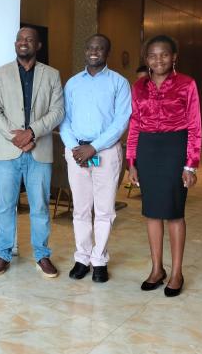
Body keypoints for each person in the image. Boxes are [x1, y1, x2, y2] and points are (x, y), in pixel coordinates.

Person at [127, 34, 201, 297]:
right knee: (152, 211)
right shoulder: (139, 87)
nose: (158, 59)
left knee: (174, 212)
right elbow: (134, 124)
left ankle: (177, 272)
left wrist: (190, 165)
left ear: (174, 57)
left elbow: (194, 125)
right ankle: (157, 269)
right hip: (147, 149)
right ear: (146, 59)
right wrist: (132, 162)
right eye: (152, 55)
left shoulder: (187, 84)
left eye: (164, 54)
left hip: (174, 148)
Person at [0, 27, 64, 278]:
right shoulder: (0, 73)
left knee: (40, 206)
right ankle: (3, 254)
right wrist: (15, 137)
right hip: (7, 152)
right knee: (5, 206)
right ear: (15, 44)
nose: (24, 43)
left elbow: (57, 112)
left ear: (38, 46)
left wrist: (31, 132)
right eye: (20, 39)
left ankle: (42, 255)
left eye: (29, 39)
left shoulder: (51, 75)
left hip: (39, 151)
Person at [61, 34, 131, 283]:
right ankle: (82, 258)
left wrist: (93, 147)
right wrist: (74, 148)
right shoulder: (72, 84)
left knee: (104, 210)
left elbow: (121, 120)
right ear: (85, 50)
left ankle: (99, 260)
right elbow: (64, 119)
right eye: (90, 47)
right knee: (80, 210)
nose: (94, 51)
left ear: (107, 53)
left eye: (99, 48)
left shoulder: (119, 83)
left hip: (106, 153)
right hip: (76, 153)